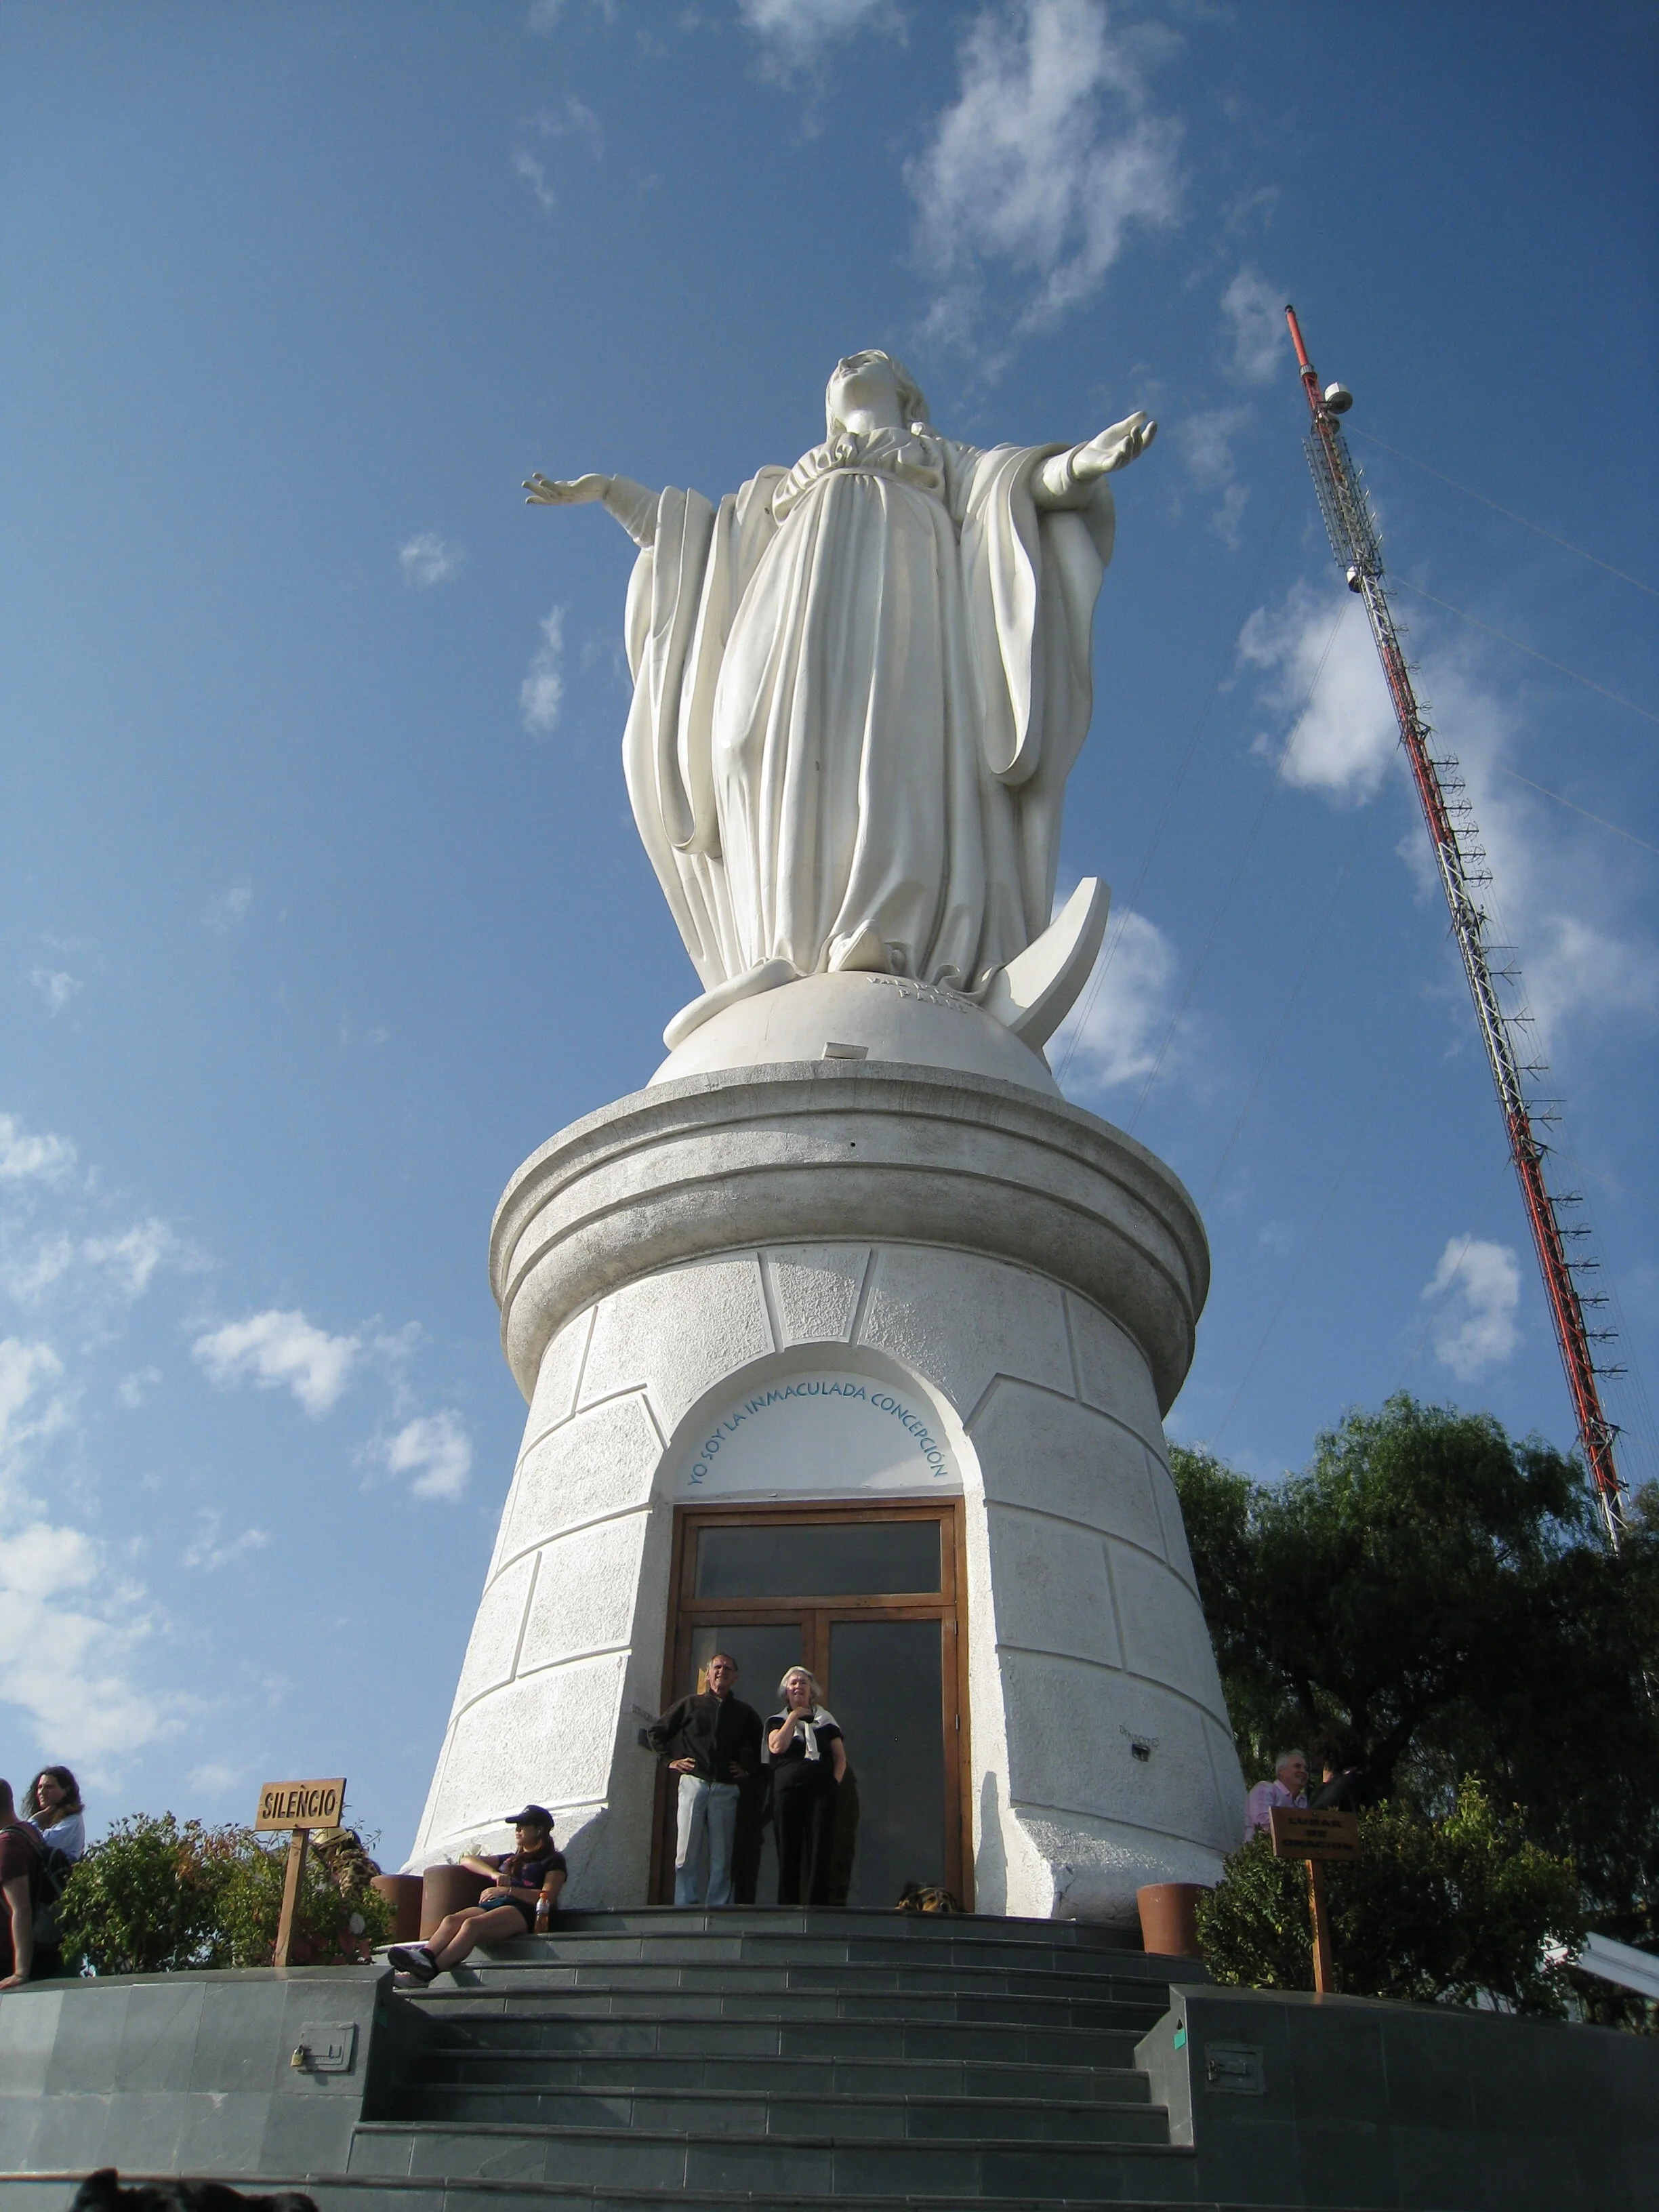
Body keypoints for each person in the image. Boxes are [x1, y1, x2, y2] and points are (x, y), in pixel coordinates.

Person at [525, 352, 1155, 1041]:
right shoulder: (778, 487)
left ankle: (887, 937)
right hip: (786, 601)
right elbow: (700, 550)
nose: (848, 363)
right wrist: (612, 493)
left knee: (886, 747)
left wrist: (1081, 466)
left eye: (872, 360)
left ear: (906, 392)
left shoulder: (938, 457)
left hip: (905, 585)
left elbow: (1019, 487)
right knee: (744, 743)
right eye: (837, 367)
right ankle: (779, 951)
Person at [386, 1805, 565, 1984]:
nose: (517, 1830)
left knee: (472, 1925)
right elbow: (467, 1860)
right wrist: (494, 1874)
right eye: (517, 1825)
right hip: (496, 1904)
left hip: (523, 1911)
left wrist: (507, 1890)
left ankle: (427, 1972)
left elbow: (547, 1896)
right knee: (451, 1920)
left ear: (539, 1830)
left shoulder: (552, 1860)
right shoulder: (510, 1859)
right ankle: (424, 1956)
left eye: (523, 1825)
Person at [645, 1652, 764, 1907]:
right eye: (717, 1667)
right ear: (708, 1673)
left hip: (725, 1789)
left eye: (728, 1669)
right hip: (694, 1784)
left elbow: (762, 1748)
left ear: (735, 1678)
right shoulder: (690, 1705)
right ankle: (685, 1904)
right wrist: (671, 1761)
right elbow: (657, 1732)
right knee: (686, 1853)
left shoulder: (744, 1713)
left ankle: (718, 1908)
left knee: (722, 1856)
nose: (722, 1672)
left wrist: (747, 1770)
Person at [765, 1666, 846, 1907]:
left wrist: (833, 1784)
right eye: (793, 1684)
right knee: (788, 1852)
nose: (798, 1687)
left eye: (803, 1683)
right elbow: (777, 1747)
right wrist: (794, 1716)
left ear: (812, 1692)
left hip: (820, 1792)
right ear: (786, 1692)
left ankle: (818, 1909)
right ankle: (787, 1909)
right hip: (787, 1791)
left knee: (820, 1850)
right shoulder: (777, 1720)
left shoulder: (826, 1720)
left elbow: (840, 1758)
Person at [0, 1778, 43, 1989]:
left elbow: (21, 1909)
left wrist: (20, 1972)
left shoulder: (8, 1845)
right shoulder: (27, 1830)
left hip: (7, 1961)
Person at [1244, 1750, 1309, 1841]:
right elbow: (1264, 1823)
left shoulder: (1303, 1800)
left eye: (1306, 1769)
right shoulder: (1266, 1789)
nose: (1303, 1771)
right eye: (1297, 1767)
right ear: (1281, 1771)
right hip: (1264, 1852)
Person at [23, 1767, 85, 1862]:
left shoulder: (73, 1820)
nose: (42, 1792)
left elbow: (43, 1843)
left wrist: (34, 1820)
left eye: (49, 1787)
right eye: (40, 1787)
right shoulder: (46, 1819)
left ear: (66, 1790)